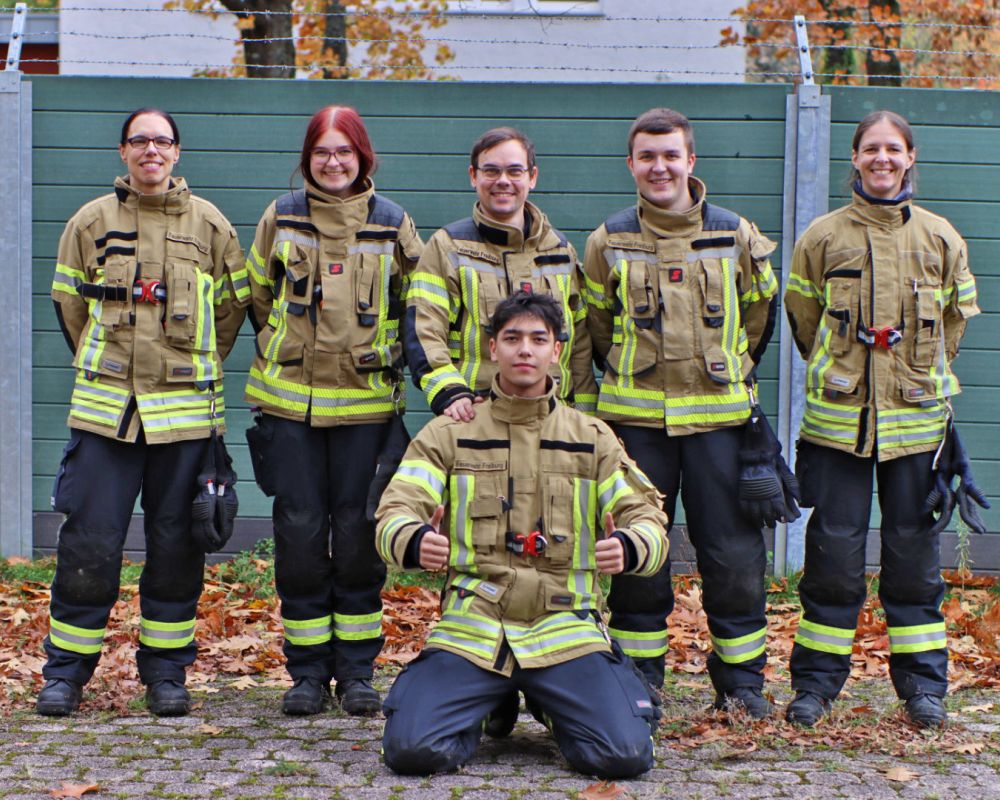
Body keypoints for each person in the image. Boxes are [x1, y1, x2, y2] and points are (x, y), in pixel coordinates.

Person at [376, 292, 668, 778]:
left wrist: (630, 544)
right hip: (476, 624)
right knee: (411, 752)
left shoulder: (591, 436)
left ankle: (550, 703)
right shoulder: (448, 435)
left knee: (623, 757)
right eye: (512, 339)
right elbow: (395, 509)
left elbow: (646, 515)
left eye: (538, 339)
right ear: (493, 349)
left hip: (565, 628)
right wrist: (411, 538)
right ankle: (489, 704)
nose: (524, 350)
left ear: (556, 350)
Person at [39, 108, 250, 717]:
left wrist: (191, 364)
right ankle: (65, 676)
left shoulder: (210, 224)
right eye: (140, 140)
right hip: (107, 417)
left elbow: (234, 308)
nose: (151, 150)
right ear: (123, 151)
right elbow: (69, 305)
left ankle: (166, 675)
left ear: (177, 153)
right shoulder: (90, 221)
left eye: (162, 141)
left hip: (185, 419)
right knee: (89, 546)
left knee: (178, 545)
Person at [783, 110, 981, 729]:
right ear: (855, 158)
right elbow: (802, 318)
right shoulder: (822, 237)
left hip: (918, 429)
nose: (882, 159)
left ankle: (923, 690)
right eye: (871, 149)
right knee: (834, 559)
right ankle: (816, 687)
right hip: (838, 428)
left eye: (893, 149)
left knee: (914, 559)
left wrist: (916, 375)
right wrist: (847, 371)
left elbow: (956, 319)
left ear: (911, 156)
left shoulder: (941, 237)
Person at [582, 108, 783, 718]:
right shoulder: (607, 240)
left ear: (691, 161)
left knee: (733, 556)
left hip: (720, 426)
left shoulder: (735, 235)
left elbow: (760, 319)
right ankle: (642, 677)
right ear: (631, 165)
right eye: (647, 156)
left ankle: (741, 683)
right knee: (641, 554)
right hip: (635, 427)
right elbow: (594, 329)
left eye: (670, 155)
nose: (659, 166)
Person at [243, 105, 423, 717]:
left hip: (369, 412)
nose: (333, 161)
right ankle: (306, 674)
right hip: (289, 409)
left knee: (358, 537)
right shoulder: (281, 217)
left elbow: (416, 307)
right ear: (308, 158)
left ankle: (357, 672)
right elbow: (258, 295)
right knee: (297, 534)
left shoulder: (393, 224)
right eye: (322, 151)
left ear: (363, 157)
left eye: (344, 151)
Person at [405, 126, 598, 422]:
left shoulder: (560, 252)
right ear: (474, 176)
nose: (503, 181)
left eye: (515, 171)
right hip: (476, 416)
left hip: (552, 418)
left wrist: (586, 419)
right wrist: (451, 393)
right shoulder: (448, 248)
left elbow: (580, 345)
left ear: (532, 177)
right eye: (491, 171)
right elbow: (424, 331)